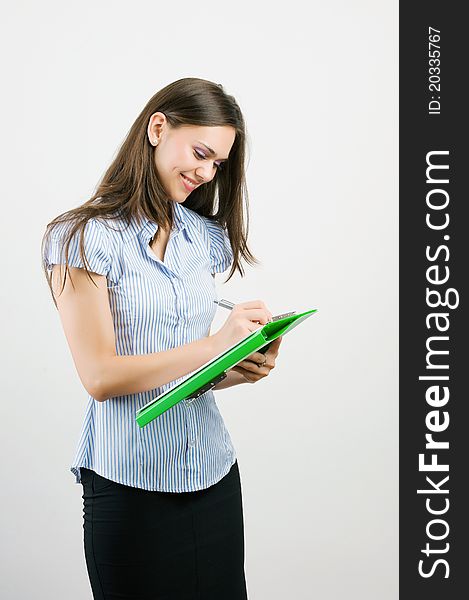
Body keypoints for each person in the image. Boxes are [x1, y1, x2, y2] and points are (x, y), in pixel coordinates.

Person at [41, 77, 283, 600]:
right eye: (200, 152)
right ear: (157, 128)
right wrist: (216, 345)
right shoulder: (82, 237)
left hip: (214, 475)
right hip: (130, 487)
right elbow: (101, 376)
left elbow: (182, 372)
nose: (205, 172)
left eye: (217, 163)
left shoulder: (206, 240)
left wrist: (231, 370)